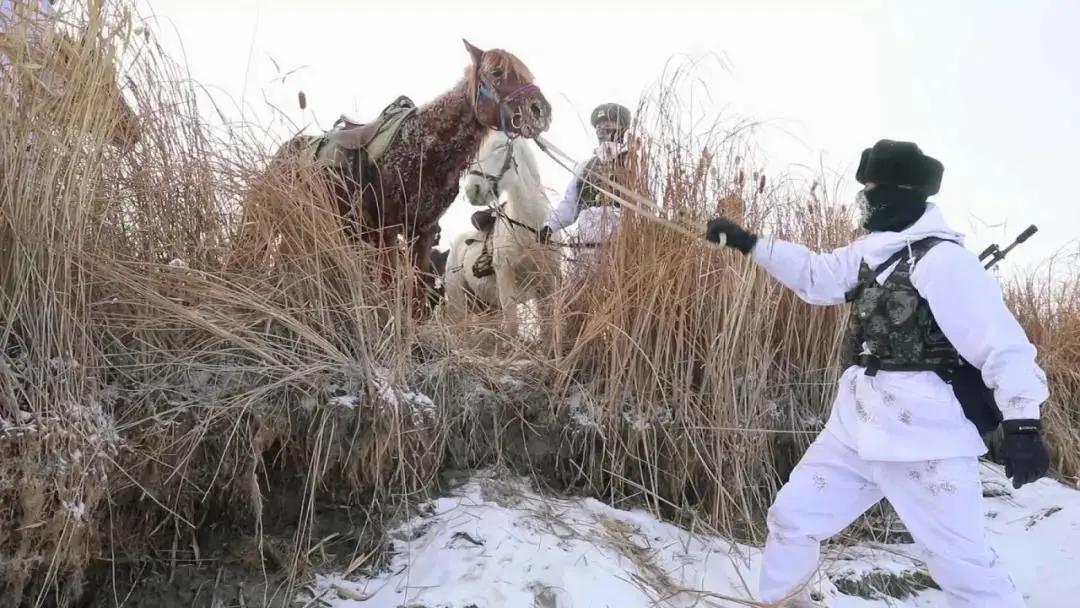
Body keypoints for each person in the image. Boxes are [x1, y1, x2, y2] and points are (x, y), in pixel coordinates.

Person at [705, 139, 1051, 608]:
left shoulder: (945, 262)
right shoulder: (872, 251)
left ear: (904, 193)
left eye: (873, 189)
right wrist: (751, 244)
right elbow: (817, 276)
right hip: (855, 427)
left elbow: (1001, 344)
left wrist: (1024, 421)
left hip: (926, 439)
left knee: (963, 569)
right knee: (793, 519)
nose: (864, 199)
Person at [537, 102, 633, 250]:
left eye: (608, 123)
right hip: (586, 251)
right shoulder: (586, 166)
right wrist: (550, 227)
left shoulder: (635, 163)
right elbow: (570, 204)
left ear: (623, 128)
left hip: (624, 250)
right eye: (599, 126)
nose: (602, 131)